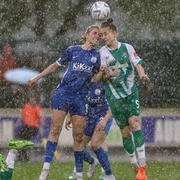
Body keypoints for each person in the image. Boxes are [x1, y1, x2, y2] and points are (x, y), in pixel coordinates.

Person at [29, 25, 101, 180]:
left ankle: (80, 174)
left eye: (99, 35)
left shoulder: (97, 56)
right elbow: (55, 65)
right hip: (63, 93)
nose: (97, 36)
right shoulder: (73, 50)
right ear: (87, 34)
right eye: (95, 33)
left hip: (81, 98)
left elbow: (95, 80)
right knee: (55, 130)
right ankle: (45, 171)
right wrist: (37, 77)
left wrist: (103, 73)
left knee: (79, 137)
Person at [98, 18, 150, 180]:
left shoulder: (127, 48)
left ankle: (143, 168)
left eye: (106, 34)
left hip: (130, 93)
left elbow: (137, 64)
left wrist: (142, 74)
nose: (103, 37)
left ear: (115, 33)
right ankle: (135, 166)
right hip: (114, 98)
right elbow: (101, 77)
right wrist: (106, 73)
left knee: (135, 123)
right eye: (101, 35)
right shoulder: (102, 53)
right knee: (125, 132)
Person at [66, 82, 115, 180]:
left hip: (103, 115)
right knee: (78, 145)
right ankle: (92, 162)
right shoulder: (83, 81)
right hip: (89, 117)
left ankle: (107, 173)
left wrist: (105, 120)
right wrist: (69, 115)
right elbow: (74, 98)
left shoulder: (105, 81)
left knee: (96, 144)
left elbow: (114, 102)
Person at [14, 94, 45, 162]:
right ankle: (23, 156)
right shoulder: (26, 106)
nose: (32, 101)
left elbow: (41, 119)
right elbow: (22, 117)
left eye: (34, 100)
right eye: (31, 99)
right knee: (20, 139)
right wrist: (16, 124)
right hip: (26, 127)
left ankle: (22, 156)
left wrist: (42, 127)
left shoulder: (37, 108)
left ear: (35, 101)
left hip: (33, 128)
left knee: (22, 139)